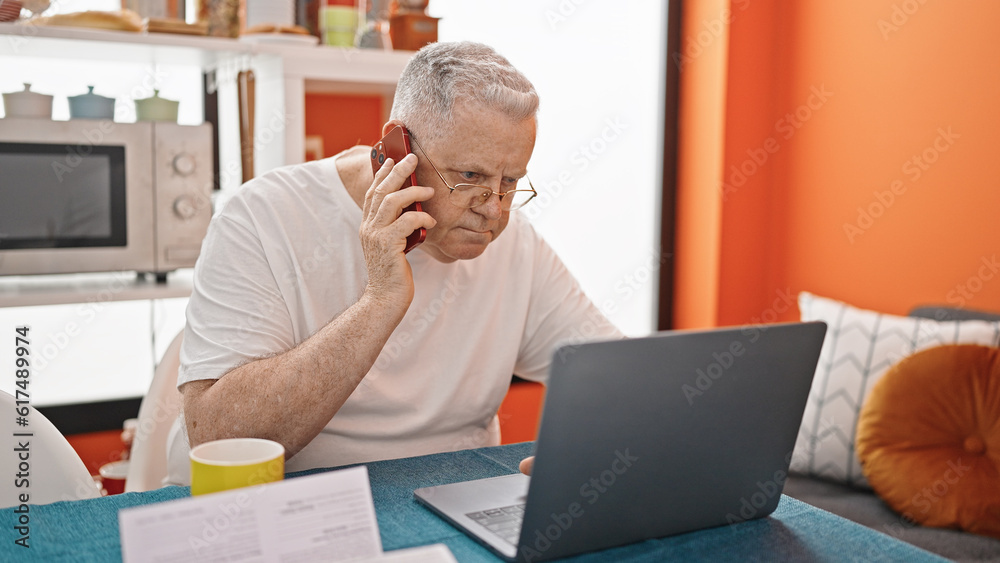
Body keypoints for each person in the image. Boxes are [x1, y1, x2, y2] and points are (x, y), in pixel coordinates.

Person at [165, 41, 622, 483]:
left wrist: (589, 450)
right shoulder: (263, 216)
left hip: (459, 498)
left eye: (511, 181)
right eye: (470, 177)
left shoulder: (514, 241)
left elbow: (617, 375)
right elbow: (215, 435)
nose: (494, 208)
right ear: (397, 149)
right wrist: (380, 300)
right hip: (299, 505)